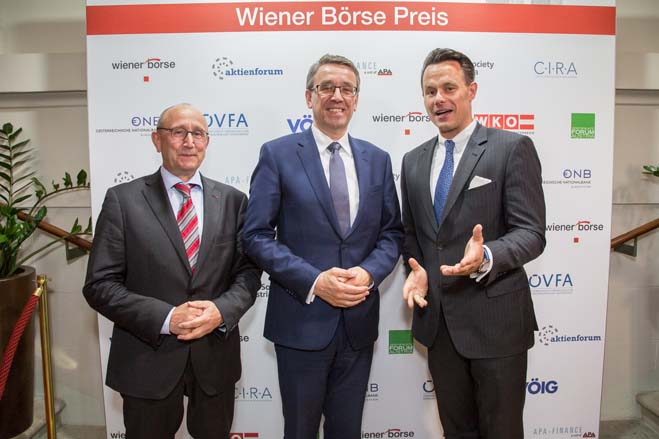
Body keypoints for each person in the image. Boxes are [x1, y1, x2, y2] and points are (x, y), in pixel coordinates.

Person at [243, 54, 403, 439]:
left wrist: (368, 273)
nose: (337, 95)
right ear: (309, 96)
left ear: (356, 99)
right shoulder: (277, 154)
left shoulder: (378, 160)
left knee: (347, 431)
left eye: (347, 89)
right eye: (326, 87)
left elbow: (392, 233)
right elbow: (255, 235)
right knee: (300, 431)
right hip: (301, 323)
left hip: (358, 326)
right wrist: (315, 281)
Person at [83, 103, 261, 439]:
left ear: (207, 142)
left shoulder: (234, 200)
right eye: (179, 132)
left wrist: (221, 311)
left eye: (198, 134)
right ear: (157, 140)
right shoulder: (123, 200)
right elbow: (100, 285)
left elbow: (249, 273)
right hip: (147, 359)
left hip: (214, 359)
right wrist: (167, 318)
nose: (189, 142)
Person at [401, 48, 546, 439]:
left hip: (496, 323)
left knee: (501, 431)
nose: (439, 99)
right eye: (430, 91)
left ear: (471, 90)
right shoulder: (412, 161)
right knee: (456, 431)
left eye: (449, 88)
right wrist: (417, 270)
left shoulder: (511, 148)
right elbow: (412, 233)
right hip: (439, 325)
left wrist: (487, 255)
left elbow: (532, 232)